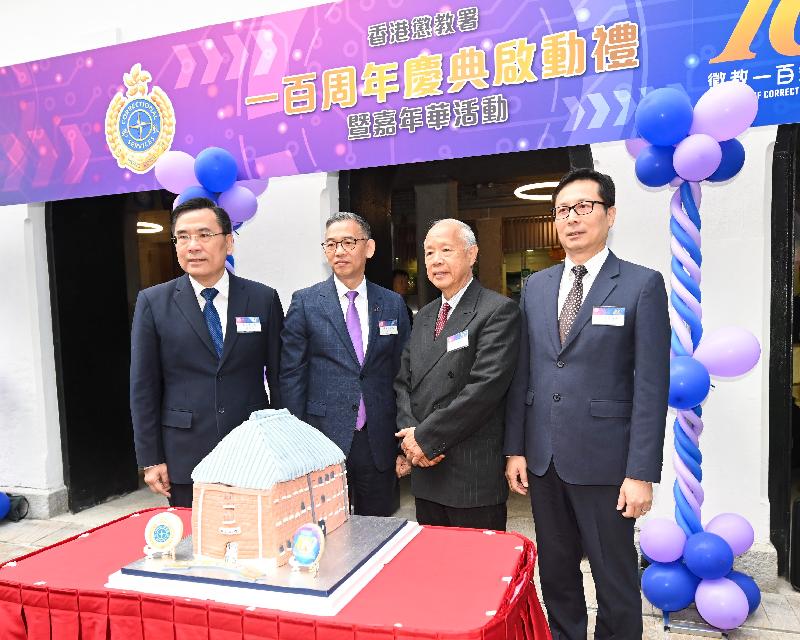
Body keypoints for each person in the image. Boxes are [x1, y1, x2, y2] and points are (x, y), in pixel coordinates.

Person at [504, 168, 670, 639]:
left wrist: (641, 473)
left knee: (613, 577)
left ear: (609, 214)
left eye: (584, 207)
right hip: (544, 458)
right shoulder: (536, 287)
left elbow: (651, 386)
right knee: (556, 572)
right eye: (562, 210)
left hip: (606, 461)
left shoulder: (641, 285)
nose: (572, 219)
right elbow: (525, 372)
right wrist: (516, 448)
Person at [130, 197, 284, 508]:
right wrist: (151, 458)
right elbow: (143, 387)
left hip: (252, 451)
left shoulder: (262, 299)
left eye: (204, 235)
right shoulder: (153, 303)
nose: (192, 246)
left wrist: (282, 444)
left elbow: (281, 377)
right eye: (182, 237)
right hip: (184, 455)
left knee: (253, 544)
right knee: (194, 547)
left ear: (228, 242)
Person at [280, 212, 411, 516]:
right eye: (331, 244)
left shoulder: (392, 303)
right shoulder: (306, 302)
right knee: (325, 529)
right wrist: (295, 439)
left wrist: (404, 438)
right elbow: (291, 374)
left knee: (378, 529)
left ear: (369, 248)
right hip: (321, 435)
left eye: (348, 242)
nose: (339, 251)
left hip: (378, 436)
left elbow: (403, 374)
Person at [394, 219, 520, 530]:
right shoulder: (423, 317)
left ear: (472, 254)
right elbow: (403, 382)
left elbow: (484, 389)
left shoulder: (497, 310)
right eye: (429, 253)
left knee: (478, 574)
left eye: (446, 250)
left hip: (470, 473)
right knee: (435, 572)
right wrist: (410, 439)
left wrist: (426, 438)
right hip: (425, 469)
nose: (436, 260)